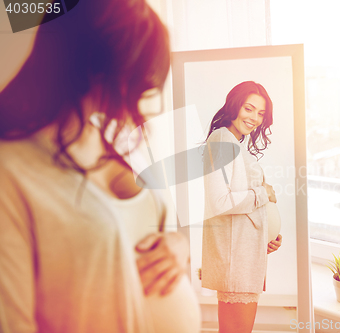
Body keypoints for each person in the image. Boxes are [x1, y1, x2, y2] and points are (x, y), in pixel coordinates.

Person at [0, 0, 200, 332]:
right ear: (91, 67)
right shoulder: (12, 170)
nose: (148, 102)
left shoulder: (122, 141)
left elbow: (145, 234)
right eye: (139, 81)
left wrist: (179, 248)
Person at [201, 81, 283, 333]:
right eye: (249, 109)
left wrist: (266, 238)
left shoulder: (234, 142)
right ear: (235, 106)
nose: (255, 118)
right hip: (236, 260)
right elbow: (220, 202)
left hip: (246, 253)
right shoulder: (221, 140)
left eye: (261, 113)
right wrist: (263, 193)